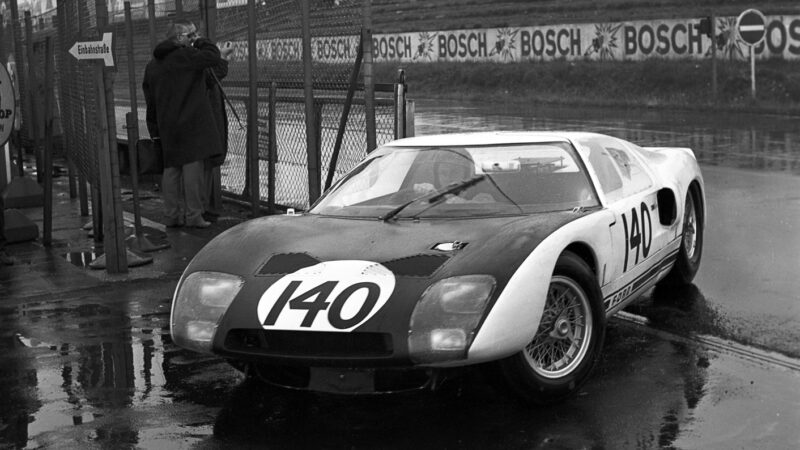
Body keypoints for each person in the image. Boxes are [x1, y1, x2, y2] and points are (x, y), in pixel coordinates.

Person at [142, 20, 234, 228]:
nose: (194, 38)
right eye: (190, 35)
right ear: (180, 39)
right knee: (193, 169)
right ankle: (194, 216)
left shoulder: (153, 65)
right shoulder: (186, 56)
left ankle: (171, 216)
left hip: (167, 125)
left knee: (171, 169)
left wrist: (154, 127)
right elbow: (212, 56)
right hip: (192, 124)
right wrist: (201, 40)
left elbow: (150, 98)